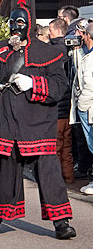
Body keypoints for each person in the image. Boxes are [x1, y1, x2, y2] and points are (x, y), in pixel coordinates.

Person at [0, 6, 75, 240]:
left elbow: (59, 85)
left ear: (30, 26)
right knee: (4, 173)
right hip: (8, 123)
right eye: (12, 23)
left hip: (39, 124)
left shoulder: (48, 53)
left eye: (20, 24)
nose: (14, 28)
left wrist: (34, 83)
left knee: (49, 174)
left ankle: (61, 222)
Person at [49, 18, 74, 183]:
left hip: (56, 106)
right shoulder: (71, 49)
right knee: (67, 147)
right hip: (69, 106)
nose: (49, 34)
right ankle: (69, 176)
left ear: (57, 31)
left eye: (50, 30)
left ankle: (56, 180)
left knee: (56, 147)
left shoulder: (52, 51)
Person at [71, 22, 93, 194]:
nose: (81, 37)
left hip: (89, 107)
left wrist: (82, 106)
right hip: (88, 106)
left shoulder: (90, 58)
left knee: (92, 144)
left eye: (84, 34)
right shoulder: (84, 54)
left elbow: (89, 85)